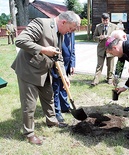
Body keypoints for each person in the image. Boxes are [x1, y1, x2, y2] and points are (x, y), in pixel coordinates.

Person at [11, 11, 81, 145]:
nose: (70, 32)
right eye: (71, 29)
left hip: (44, 70)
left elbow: (57, 56)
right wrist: (43, 49)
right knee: (29, 104)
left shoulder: (60, 33)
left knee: (48, 96)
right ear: (63, 22)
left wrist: (64, 76)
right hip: (29, 69)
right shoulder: (41, 23)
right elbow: (20, 41)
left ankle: (52, 121)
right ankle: (29, 134)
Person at [52, 33, 76, 123]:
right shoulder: (58, 31)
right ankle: (57, 111)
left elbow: (73, 47)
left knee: (64, 86)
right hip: (56, 62)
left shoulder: (71, 31)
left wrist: (72, 63)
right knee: (56, 87)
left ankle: (65, 106)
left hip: (66, 62)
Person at [91, 13, 118, 86]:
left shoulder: (114, 27)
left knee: (110, 65)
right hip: (101, 49)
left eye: (106, 20)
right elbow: (94, 36)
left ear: (109, 19)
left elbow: (117, 37)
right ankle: (96, 80)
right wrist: (99, 37)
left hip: (110, 49)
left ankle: (109, 78)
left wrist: (110, 38)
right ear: (101, 19)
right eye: (103, 20)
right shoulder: (98, 26)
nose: (105, 22)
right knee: (99, 65)